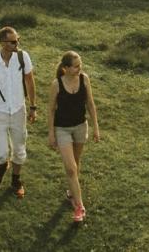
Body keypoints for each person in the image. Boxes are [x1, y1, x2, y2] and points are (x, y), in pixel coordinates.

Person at [0, 26, 37, 196]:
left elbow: (30, 81)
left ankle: (16, 180)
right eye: (12, 41)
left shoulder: (23, 57)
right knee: (1, 152)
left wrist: (33, 107)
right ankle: (2, 166)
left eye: (18, 39)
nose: (17, 43)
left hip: (19, 110)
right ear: (3, 43)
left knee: (19, 149)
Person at [46, 50, 102, 223]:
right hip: (62, 129)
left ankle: (71, 191)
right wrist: (51, 133)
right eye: (76, 66)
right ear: (66, 68)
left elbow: (90, 104)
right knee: (71, 168)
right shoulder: (57, 84)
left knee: (75, 165)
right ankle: (79, 207)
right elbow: (50, 110)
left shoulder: (85, 80)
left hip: (80, 127)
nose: (80, 68)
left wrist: (96, 128)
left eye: (80, 65)